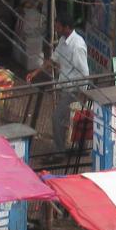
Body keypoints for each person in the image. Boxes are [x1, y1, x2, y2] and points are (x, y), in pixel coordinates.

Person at [26, 10, 90, 153]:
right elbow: (53, 59)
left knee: (57, 118)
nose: (56, 29)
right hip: (64, 87)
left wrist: (80, 93)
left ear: (67, 27)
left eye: (59, 26)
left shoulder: (77, 46)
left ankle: (61, 151)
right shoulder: (62, 41)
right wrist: (35, 73)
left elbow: (85, 73)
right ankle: (75, 148)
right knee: (67, 120)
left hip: (73, 89)